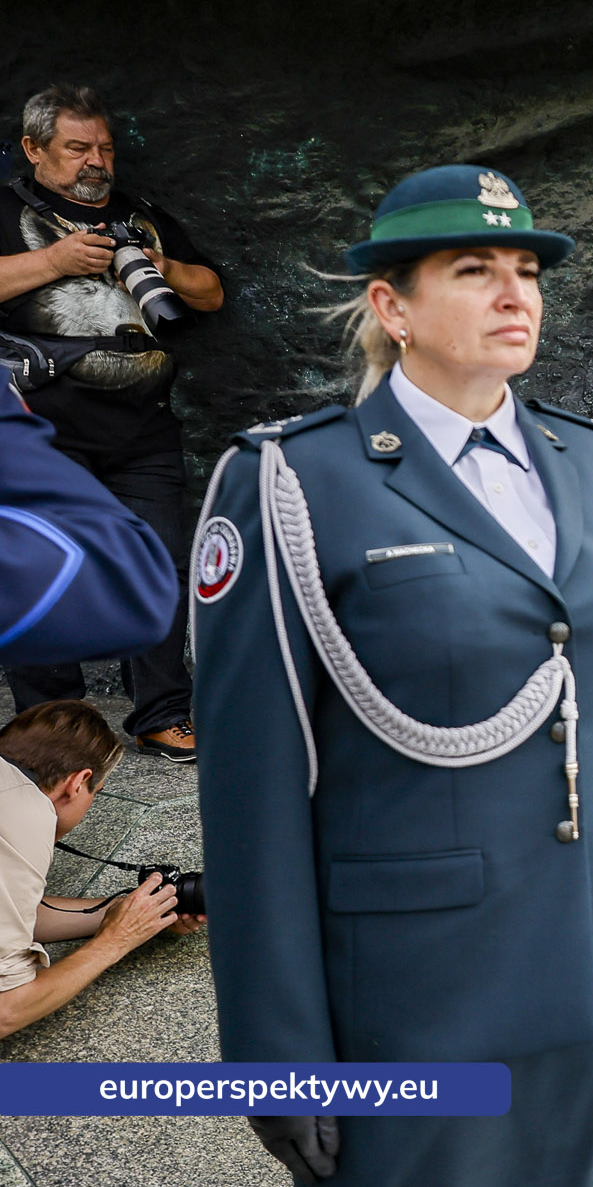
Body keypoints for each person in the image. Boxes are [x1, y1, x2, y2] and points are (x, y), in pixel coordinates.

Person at [190, 165, 593, 1186]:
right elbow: (252, 793)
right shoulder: (294, 481)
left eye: (527, 270)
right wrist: (275, 1053)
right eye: (475, 270)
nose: (517, 294)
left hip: (591, 952)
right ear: (393, 306)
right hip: (418, 995)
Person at [1, 86, 223, 762]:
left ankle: (160, 711)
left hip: (141, 429)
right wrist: (53, 261)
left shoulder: (140, 214)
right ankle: (49, 723)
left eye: (104, 146)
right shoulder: (6, 208)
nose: (96, 160)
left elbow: (210, 292)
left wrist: (160, 267)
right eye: (77, 147)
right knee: (42, 567)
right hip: (41, 430)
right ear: (34, 148)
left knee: (160, 564)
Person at [0, 699, 201, 1038]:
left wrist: (125, 915)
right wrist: (113, 942)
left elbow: (16, 914)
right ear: (79, 783)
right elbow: (7, 1009)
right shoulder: (26, 815)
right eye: (98, 793)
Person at [1, 381, 178, 668]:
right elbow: (140, 597)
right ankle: (44, 712)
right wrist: (11, 425)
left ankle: (161, 710)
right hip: (51, 390)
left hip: (138, 407)